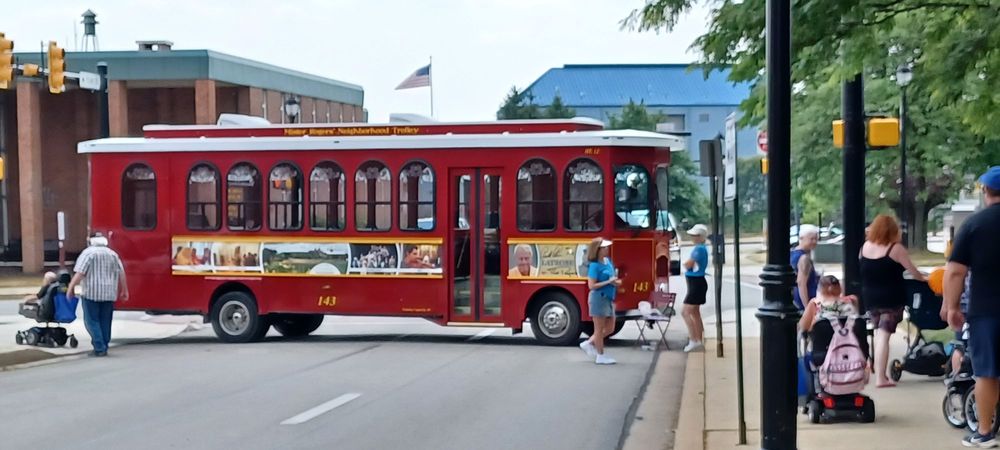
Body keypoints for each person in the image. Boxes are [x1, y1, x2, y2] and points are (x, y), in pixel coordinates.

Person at [942, 166, 1000, 448]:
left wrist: (951, 306)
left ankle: (985, 432)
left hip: (986, 310)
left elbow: (955, 272)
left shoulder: (974, 225)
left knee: (987, 372)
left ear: (986, 191)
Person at [860, 214, 926, 388]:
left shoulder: (865, 247)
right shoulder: (895, 249)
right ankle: (881, 378)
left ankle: (878, 373)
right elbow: (913, 272)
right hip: (891, 298)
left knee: (878, 334)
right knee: (884, 336)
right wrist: (924, 279)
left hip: (870, 297)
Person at [67, 233, 129, 357]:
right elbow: (121, 273)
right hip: (109, 294)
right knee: (105, 321)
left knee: (92, 321)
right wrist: (124, 290)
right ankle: (104, 345)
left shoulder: (88, 254)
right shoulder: (113, 254)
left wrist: (71, 288)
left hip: (91, 293)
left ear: (91, 241)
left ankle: (99, 347)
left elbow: (80, 273)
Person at [579, 238, 621, 365]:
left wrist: (616, 282)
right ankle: (600, 355)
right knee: (599, 329)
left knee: (610, 328)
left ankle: (589, 343)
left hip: (609, 298)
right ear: (597, 250)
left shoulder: (608, 262)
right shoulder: (594, 266)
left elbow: (613, 277)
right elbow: (591, 285)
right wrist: (609, 282)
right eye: (604, 248)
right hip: (598, 298)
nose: (607, 249)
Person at [682, 224, 709, 353]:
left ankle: (694, 340)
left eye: (695, 235)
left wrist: (686, 264)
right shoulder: (701, 248)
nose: (692, 237)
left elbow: (688, 264)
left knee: (685, 312)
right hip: (697, 282)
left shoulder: (698, 249)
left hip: (696, 283)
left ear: (700, 237)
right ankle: (699, 339)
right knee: (695, 312)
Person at [791, 225, 820, 311]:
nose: (814, 242)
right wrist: (807, 308)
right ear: (801, 238)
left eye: (816, 239)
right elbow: (801, 284)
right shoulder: (804, 258)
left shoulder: (792, 254)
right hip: (805, 301)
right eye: (811, 239)